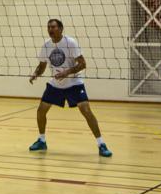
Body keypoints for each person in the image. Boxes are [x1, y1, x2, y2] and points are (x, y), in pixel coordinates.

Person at [28, 19, 112, 157]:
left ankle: (101, 144)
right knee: (41, 111)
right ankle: (42, 140)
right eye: (48, 27)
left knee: (86, 111)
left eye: (53, 27)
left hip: (73, 82)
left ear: (60, 28)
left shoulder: (70, 43)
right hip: (56, 84)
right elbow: (42, 66)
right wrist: (36, 74)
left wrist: (66, 72)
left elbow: (83, 64)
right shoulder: (46, 45)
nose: (50, 29)